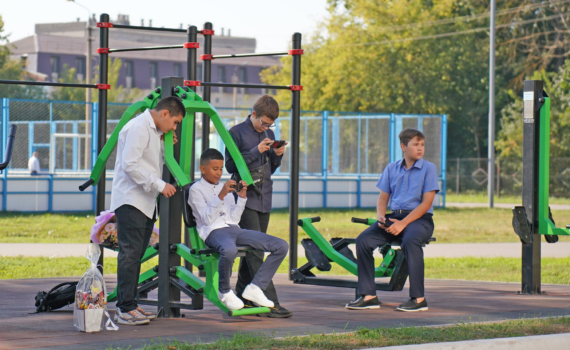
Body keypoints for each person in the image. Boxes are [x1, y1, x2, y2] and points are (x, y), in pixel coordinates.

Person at [345, 128, 440, 312]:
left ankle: (418, 299)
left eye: (422, 145)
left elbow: (426, 203)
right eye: (415, 145)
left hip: (420, 220)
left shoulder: (429, 168)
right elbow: (383, 198)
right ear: (404, 147)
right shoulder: (391, 168)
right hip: (394, 217)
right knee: (363, 241)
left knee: (411, 241)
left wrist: (403, 224)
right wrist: (381, 217)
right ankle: (369, 296)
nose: (420, 148)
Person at [110, 96, 185, 325]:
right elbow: (130, 164)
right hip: (131, 200)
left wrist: (165, 145)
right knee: (130, 254)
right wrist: (160, 185)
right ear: (164, 114)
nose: (175, 127)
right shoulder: (139, 127)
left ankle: (130, 305)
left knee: (135, 256)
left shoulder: (154, 132)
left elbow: (152, 162)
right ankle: (125, 309)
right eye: (175, 122)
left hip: (144, 203)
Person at [189, 148, 289, 311]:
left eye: (221, 169)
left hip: (234, 229)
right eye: (215, 169)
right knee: (229, 250)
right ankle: (225, 291)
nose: (219, 173)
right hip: (213, 232)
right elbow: (207, 219)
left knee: (281, 245)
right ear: (203, 169)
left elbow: (233, 219)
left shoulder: (224, 188)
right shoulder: (196, 190)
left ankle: (255, 287)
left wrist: (242, 197)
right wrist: (221, 195)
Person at [225, 95, 291, 318]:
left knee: (253, 250)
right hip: (245, 198)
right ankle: (270, 302)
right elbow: (231, 165)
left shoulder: (269, 135)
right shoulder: (236, 132)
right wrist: (258, 150)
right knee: (256, 251)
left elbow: (270, 167)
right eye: (263, 122)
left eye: (270, 125)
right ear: (253, 114)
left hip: (265, 197)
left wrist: (277, 155)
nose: (266, 128)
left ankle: (243, 296)